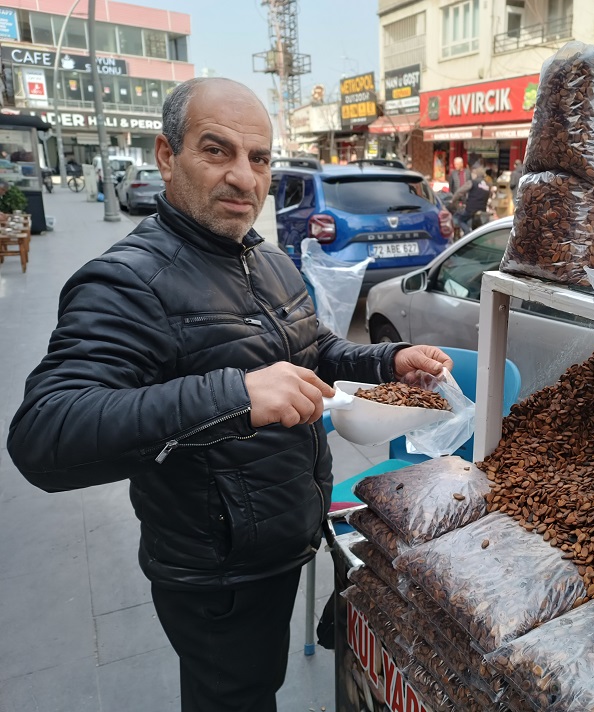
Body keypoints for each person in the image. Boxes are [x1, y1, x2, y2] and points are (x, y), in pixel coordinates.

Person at [6, 77, 453, 712]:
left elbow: (316, 350)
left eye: (260, 158)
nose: (245, 178)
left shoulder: (263, 258)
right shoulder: (125, 282)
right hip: (218, 573)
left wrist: (389, 358)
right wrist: (234, 396)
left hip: (282, 535)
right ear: (167, 155)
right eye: (217, 151)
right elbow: (44, 434)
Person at [450, 167, 492, 235]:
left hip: (471, 208)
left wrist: (453, 200)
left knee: (459, 219)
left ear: (475, 175)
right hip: (482, 209)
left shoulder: (472, 182)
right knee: (476, 226)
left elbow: (460, 192)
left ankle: (467, 233)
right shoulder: (488, 185)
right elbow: (490, 195)